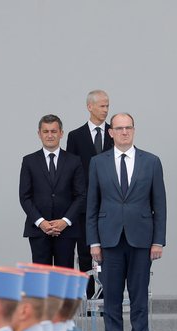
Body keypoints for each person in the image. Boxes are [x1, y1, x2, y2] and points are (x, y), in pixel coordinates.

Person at [87, 112, 166, 331]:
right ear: (110, 132)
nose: (124, 132)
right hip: (109, 239)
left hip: (141, 239)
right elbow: (92, 204)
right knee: (111, 297)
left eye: (128, 128)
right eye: (119, 128)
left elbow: (159, 205)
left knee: (139, 296)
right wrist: (94, 242)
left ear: (134, 130)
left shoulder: (151, 161)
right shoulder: (98, 163)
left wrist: (158, 240)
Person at [19, 114, 86, 268]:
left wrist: (65, 221)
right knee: (41, 280)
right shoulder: (29, 161)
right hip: (38, 229)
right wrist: (41, 222)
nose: (50, 135)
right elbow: (24, 197)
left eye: (54, 131)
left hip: (67, 230)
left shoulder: (74, 161)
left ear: (61, 133)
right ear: (39, 134)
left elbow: (81, 195)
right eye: (46, 131)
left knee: (63, 279)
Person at [66, 90, 113, 297]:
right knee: (85, 252)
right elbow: (71, 171)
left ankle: (106, 299)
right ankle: (87, 299)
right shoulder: (75, 136)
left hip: (111, 203)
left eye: (107, 106)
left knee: (109, 252)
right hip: (85, 204)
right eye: (102, 106)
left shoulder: (115, 132)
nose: (105, 110)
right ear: (89, 107)